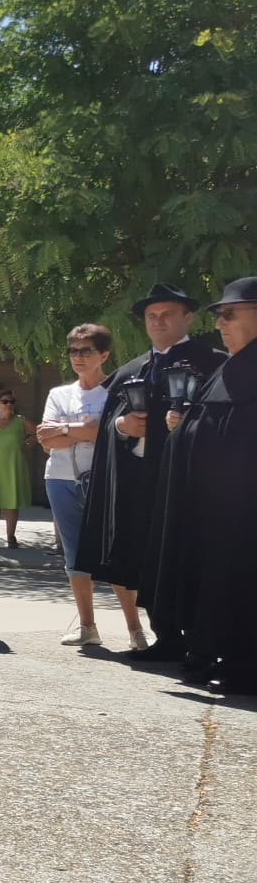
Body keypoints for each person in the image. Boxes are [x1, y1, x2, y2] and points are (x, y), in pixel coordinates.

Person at [73, 283, 225, 661]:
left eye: (167, 314)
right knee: (145, 557)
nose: (158, 322)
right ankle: (166, 636)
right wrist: (122, 427)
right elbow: (109, 425)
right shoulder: (130, 371)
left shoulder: (213, 364)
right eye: (151, 316)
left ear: (187, 317)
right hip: (140, 484)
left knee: (187, 556)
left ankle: (202, 641)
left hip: (190, 484)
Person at [148, 278, 257, 694]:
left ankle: (243, 665)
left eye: (230, 314)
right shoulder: (234, 365)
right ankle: (216, 653)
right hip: (216, 508)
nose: (222, 324)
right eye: (218, 316)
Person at [37, 324, 140, 647]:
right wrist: (84, 429)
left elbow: (106, 432)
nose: (78, 357)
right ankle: (87, 626)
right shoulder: (59, 394)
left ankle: (136, 630)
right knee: (74, 555)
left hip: (105, 480)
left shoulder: (116, 392)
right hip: (61, 479)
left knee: (115, 552)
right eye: (73, 351)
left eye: (86, 351)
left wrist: (66, 430)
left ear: (104, 354)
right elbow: (45, 440)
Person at [0, 389, 35, 548]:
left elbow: (37, 433)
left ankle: (11, 537)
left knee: (11, 502)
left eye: (11, 402)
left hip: (13, 466)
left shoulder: (20, 421)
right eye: (5, 402)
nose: (9, 404)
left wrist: (27, 445)